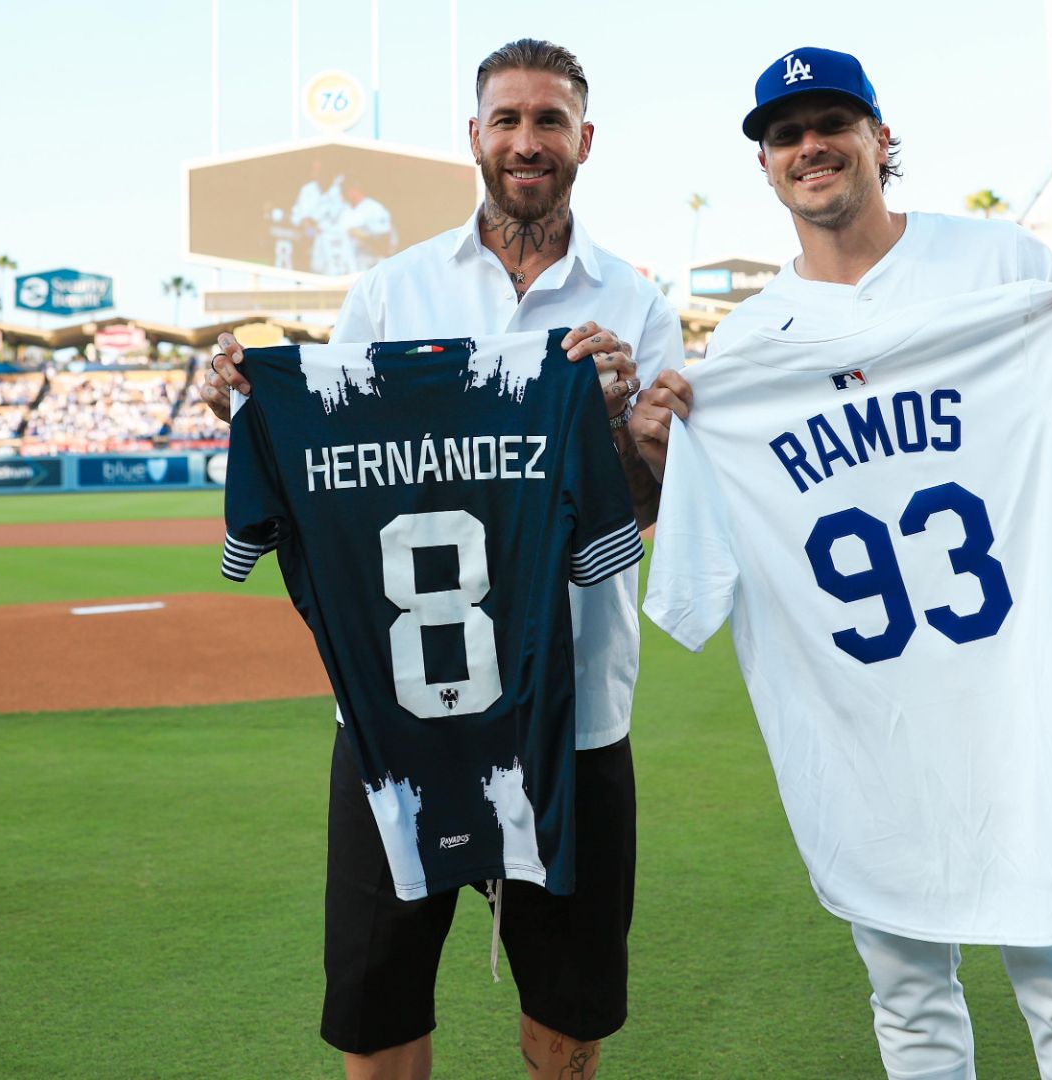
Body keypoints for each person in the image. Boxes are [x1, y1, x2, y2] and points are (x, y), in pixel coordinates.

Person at [630, 46, 1052, 1080]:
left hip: (1013, 706)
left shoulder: (1008, 270)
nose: (810, 147)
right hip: (861, 730)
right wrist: (671, 449)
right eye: (785, 135)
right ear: (767, 167)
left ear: (883, 140)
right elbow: (700, 554)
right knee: (909, 998)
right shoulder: (741, 352)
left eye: (832, 124)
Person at [198, 39, 687, 1080]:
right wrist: (248, 411)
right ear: (474, 137)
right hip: (397, 715)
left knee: (569, 1008)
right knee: (376, 1009)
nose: (527, 140)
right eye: (507, 119)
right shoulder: (390, 292)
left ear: (584, 141)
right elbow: (329, 479)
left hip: (576, 713)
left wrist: (616, 434)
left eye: (549, 121)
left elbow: (654, 507)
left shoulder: (637, 307)